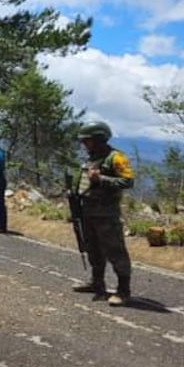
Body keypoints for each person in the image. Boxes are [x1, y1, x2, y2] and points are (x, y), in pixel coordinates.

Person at [71, 121, 135, 306]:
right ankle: (96, 282)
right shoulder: (92, 158)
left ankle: (123, 291)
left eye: (88, 140)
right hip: (88, 211)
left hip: (106, 214)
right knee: (93, 250)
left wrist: (101, 178)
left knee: (115, 251)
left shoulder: (116, 158)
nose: (85, 144)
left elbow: (128, 181)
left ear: (99, 139)